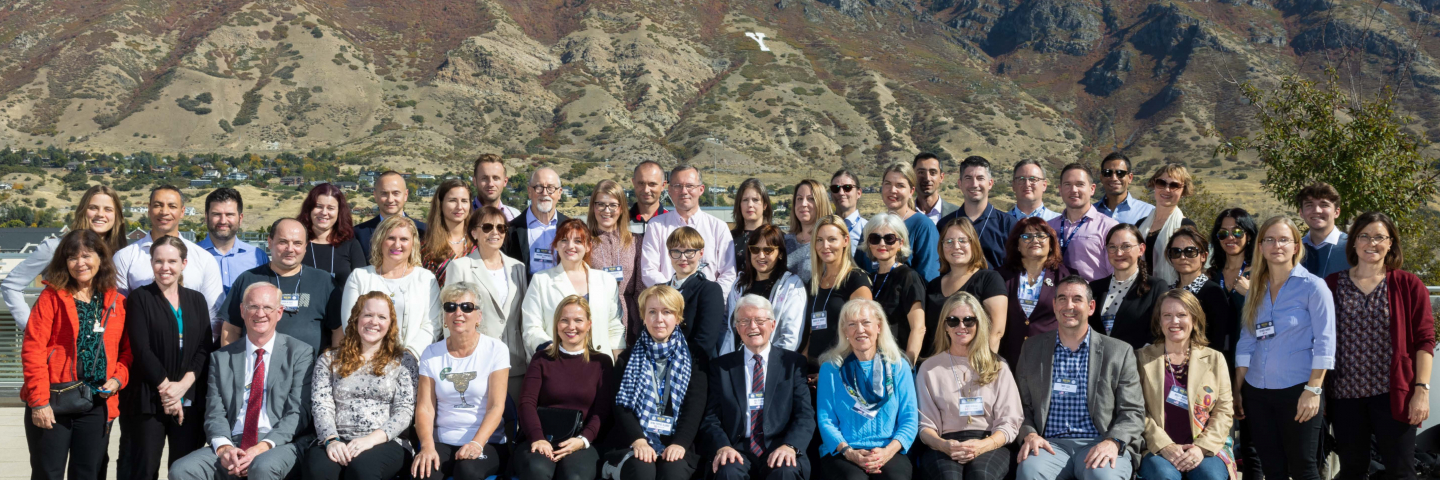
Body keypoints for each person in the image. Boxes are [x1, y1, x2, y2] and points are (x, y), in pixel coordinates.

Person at [1324, 211, 1434, 480]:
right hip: (1344, 395)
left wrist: (1421, 390)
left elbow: (1424, 341)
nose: (1371, 243)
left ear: (1391, 243)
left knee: (1401, 471)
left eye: (1379, 237)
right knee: (1352, 471)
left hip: (1393, 393)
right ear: (1353, 242)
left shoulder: (1408, 284)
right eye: (1364, 236)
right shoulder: (1331, 284)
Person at [167, 282, 316, 480]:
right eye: (253, 306)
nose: (260, 313)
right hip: (233, 443)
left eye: (268, 307)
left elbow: (298, 413)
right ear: (242, 311)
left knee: (261, 468)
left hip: (279, 444)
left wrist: (262, 447)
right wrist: (224, 448)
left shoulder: (299, 353)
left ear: (279, 312)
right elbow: (215, 412)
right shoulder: (221, 358)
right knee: (181, 470)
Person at [22, 229, 131, 480]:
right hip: (53, 400)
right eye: (72, 257)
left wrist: (118, 378)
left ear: (101, 259)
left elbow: (127, 352)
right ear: (64, 262)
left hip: (96, 403)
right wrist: (39, 403)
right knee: (48, 474)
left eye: (87, 255)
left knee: (88, 474)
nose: (80, 263)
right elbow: (33, 350)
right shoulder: (51, 297)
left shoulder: (115, 301)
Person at [1013, 275, 1145, 480]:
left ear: (1091, 307)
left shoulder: (1119, 352)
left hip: (1100, 441)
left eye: (1077, 299)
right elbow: (1021, 406)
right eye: (1063, 299)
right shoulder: (1031, 348)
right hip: (1049, 446)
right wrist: (1029, 434)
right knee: (1029, 471)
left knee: (1104, 476)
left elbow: (1133, 411)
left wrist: (1113, 441)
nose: (1069, 305)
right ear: (1054, 305)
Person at [1234, 216, 1335, 480]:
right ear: (1260, 247)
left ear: (1295, 246)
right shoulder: (1255, 288)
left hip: (1299, 391)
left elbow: (1326, 342)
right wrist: (1238, 390)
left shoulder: (1314, 286)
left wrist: (1313, 390)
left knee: (1304, 468)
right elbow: (1246, 341)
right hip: (1257, 393)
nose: (1276, 245)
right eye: (1269, 239)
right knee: (1272, 468)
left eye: (1283, 239)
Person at [119, 236, 218, 480]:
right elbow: (142, 350)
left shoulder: (197, 300)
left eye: (172, 261)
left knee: (185, 470)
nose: (165, 267)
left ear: (184, 263)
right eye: (159, 261)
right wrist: (168, 392)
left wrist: (182, 388)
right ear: (151, 263)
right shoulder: (139, 298)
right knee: (143, 469)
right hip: (148, 400)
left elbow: (205, 347)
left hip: (190, 400)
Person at [601, 285, 710, 480]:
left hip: (678, 440)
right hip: (633, 440)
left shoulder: (695, 356)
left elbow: (695, 405)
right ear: (643, 316)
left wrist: (680, 443)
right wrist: (638, 440)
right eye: (652, 312)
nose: (659, 319)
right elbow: (621, 406)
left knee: (672, 472)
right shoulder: (627, 358)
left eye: (667, 312)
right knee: (642, 469)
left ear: (677, 318)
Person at [702, 294, 816, 480]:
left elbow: (804, 414)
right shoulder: (721, 367)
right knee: (727, 472)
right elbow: (711, 417)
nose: (752, 326)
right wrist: (722, 447)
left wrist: (790, 446)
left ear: (772, 325)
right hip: (736, 447)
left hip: (780, 444)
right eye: (745, 321)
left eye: (759, 320)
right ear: (737, 328)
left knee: (785, 471)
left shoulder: (793, 363)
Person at [307, 292, 419, 480]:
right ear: (356, 318)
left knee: (362, 470)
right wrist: (331, 440)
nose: (374, 322)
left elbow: (405, 410)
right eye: (368, 315)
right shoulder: (329, 360)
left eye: (382, 317)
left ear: (390, 324)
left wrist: (370, 440)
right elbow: (321, 405)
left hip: (385, 441)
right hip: (337, 438)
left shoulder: (404, 361)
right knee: (320, 471)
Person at [916, 292, 1022, 480]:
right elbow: (925, 425)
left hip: (989, 440)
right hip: (944, 442)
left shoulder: (998, 365)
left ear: (979, 324)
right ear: (945, 326)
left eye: (968, 320)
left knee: (980, 475)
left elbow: (1010, 420)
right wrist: (944, 445)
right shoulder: (929, 368)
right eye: (953, 321)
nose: (961, 326)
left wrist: (984, 445)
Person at [412, 282, 512, 480]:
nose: (458, 313)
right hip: (442, 440)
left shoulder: (496, 350)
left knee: (467, 472)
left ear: (478, 316)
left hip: (487, 441)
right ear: (444, 317)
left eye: (466, 307)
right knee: (424, 473)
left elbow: (496, 406)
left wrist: (476, 443)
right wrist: (427, 446)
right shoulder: (431, 353)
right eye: (451, 307)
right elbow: (425, 408)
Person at [1136, 289, 1237, 480]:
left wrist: (1201, 448)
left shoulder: (1215, 359)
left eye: (1182, 315)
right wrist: (1164, 445)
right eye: (1167, 315)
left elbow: (1224, 411)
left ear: (1195, 320)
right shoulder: (1141, 358)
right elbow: (1137, 410)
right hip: (1156, 447)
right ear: (1159, 320)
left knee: (1210, 477)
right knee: (1163, 476)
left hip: (1206, 446)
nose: (1174, 322)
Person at [516, 295, 617, 480]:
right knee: (536, 470)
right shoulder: (541, 359)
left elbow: (603, 410)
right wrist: (538, 437)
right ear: (556, 324)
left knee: (575, 476)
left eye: (578, 320)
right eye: (564, 320)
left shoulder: (601, 362)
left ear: (589, 325)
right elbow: (526, 403)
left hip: (581, 440)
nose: (571, 327)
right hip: (541, 436)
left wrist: (583, 439)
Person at [815, 299, 918, 480]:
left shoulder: (898, 366)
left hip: (888, 449)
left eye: (866, 322)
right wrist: (849, 452)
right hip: (844, 451)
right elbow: (826, 420)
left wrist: (887, 451)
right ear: (845, 331)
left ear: (879, 327)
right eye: (852, 324)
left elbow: (909, 419)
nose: (860, 330)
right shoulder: (830, 369)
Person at [3, 185, 128, 330]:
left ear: (117, 216)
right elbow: (11, 285)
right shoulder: (54, 248)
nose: (100, 214)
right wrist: (32, 328)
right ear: (82, 211)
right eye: (93, 208)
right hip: (61, 345)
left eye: (108, 209)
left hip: (108, 345)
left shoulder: (123, 255)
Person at [114, 186, 225, 332]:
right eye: (158, 205)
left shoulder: (204, 259)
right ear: (148, 209)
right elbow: (118, 314)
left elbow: (214, 315)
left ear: (182, 212)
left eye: (172, 206)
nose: (164, 212)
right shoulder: (124, 257)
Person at [445, 206, 530, 396]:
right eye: (487, 227)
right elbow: (450, 318)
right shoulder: (460, 267)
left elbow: (524, 317)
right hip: (476, 361)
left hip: (514, 363)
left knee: (512, 423)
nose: (495, 232)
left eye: (501, 228)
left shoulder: (518, 267)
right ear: (474, 232)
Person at [1202, 208, 1260, 480]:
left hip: (1251, 364)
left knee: (1251, 440)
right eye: (1223, 233)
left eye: (1237, 231)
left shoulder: (1261, 271)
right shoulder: (1210, 274)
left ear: (1249, 235)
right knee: (1215, 433)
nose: (1230, 238)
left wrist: (1250, 295)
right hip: (1213, 365)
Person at [224, 219, 338, 353]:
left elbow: (338, 330)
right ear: (270, 242)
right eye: (283, 242)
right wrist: (231, 367)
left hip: (310, 371)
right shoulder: (248, 279)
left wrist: (332, 368)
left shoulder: (323, 281)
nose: (290, 249)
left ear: (305, 246)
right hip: (256, 370)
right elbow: (230, 329)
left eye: (297, 243)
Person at [522, 219, 626, 359]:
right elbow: (531, 327)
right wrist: (552, 350)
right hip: (558, 362)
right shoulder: (541, 280)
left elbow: (614, 326)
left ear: (588, 246)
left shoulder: (606, 281)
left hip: (600, 365)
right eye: (564, 240)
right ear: (556, 245)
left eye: (578, 241)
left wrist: (618, 364)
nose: (570, 246)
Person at [340, 216, 443, 357]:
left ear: (413, 243)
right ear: (380, 240)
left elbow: (432, 325)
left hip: (412, 364)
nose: (397, 245)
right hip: (366, 361)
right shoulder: (359, 277)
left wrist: (409, 355)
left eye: (404, 239)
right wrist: (375, 357)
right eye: (391, 238)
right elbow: (350, 323)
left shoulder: (426, 279)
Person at [640, 165, 739, 297]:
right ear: (669, 190)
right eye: (677, 186)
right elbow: (649, 271)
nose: (684, 191)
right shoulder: (656, 226)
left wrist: (708, 298)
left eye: (690, 186)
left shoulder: (718, 227)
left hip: (708, 307)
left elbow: (728, 274)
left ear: (701, 189)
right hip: (669, 306)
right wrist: (674, 297)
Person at [923, 217, 1006, 357]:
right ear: (941, 247)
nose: (956, 246)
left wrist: (984, 369)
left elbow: (996, 332)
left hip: (974, 366)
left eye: (962, 241)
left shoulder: (989, 279)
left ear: (973, 244)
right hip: (936, 367)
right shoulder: (933, 285)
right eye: (949, 241)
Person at [723, 224, 806, 355]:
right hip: (738, 365)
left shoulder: (791, 285)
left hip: (773, 365)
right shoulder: (739, 284)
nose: (761, 256)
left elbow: (790, 335)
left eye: (768, 250)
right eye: (755, 249)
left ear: (780, 253)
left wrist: (770, 364)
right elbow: (730, 330)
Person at [997, 217, 1068, 366]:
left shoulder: (1065, 278)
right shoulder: (1000, 277)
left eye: (1041, 236)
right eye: (1026, 236)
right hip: (1008, 361)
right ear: (1017, 245)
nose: (1034, 240)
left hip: (1050, 361)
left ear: (1050, 244)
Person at [803, 215, 874, 364]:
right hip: (812, 366)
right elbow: (811, 331)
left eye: (832, 239)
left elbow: (863, 333)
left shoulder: (856, 279)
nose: (825, 246)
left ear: (845, 241)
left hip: (841, 366)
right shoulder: (814, 282)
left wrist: (831, 369)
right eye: (819, 240)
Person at [1088, 224, 1167, 352]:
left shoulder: (1156, 287)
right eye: (1112, 247)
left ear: (1141, 249)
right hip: (1098, 365)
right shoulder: (1094, 287)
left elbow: (1158, 333)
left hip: (1138, 364)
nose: (1119, 253)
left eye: (1126, 246)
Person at [856, 162, 940, 282]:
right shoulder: (872, 226)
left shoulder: (923, 226)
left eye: (900, 185)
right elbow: (860, 271)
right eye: (888, 184)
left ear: (911, 191)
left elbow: (929, 278)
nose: (892, 190)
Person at [861, 213, 925, 364]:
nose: (882, 244)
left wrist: (908, 365)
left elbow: (919, 328)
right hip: (871, 362)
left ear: (900, 242)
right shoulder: (868, 278)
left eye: (889, 238)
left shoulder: (908, 277)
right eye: (875, 238)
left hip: (898, 362)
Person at [1166, 227, 1238, 361]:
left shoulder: (1213, 293)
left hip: (1203, 367)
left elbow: (1218, 342)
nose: (1183, 257)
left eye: (1190, 252)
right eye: (1176, 252)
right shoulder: (1167, 293)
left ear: (1203, 256)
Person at [663, 226, 727, 365]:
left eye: (689, 252)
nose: (682, 258)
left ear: (701, 253)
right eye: (676, 252)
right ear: (669, 254)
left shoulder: (709, 289)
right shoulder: (659, 290)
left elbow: (705, 342)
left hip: (692, 368)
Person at [589, 180, 644, 336]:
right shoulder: (583, 242)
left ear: (621, 209)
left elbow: (640, 288)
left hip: (631, 319)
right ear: (593, 207)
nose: (607, 210)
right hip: (596, 318)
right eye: (601, 204)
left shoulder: (636, 241)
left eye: (613, 205)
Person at [1048, 163, 1118, 282]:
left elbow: (1117, 274)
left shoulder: (1109, 228)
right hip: (1055, 297)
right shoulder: (1048, 227)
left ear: (1092, 189)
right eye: (1067, 184)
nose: (1073, 190)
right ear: (1060, 190)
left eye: (1080, 184)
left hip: (1095, 296)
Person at [198, 187, 270, 295]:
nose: (223, 221)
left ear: (240, 218)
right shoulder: (191, 255)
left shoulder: (258, 258)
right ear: (206, 217)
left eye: (229, 215)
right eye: (216, 214)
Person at [503, 167, 570, 278]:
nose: (544, 193)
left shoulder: (571, 228)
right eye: (538, 187)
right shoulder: (510, 230)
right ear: (529, 191)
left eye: (550, 188)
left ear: (559, 193)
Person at [1137, 164, 1197, 286]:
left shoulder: (1185, 226)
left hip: (1171, 293)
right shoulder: (1140, 224)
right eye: (1161, 183)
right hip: (1141, 291)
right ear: (1154, 184)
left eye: (1174, 185)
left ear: (1183, 190)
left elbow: (1191, 267)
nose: (1167, 189)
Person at [298, 183, 368, 286]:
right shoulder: (296, 245)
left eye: (330, 208)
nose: (324, 212)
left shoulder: (350, 245)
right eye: (318, 206)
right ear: (309, 209)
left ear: (339, 212)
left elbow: (363, 284)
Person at [355, 171, 429, 259]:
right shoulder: (358, 234)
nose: (390, 199)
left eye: (396, 193)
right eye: (384, 193)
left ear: (405, 195)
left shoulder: (424, 232)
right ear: (375, 196)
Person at [422, 178, 474, 284]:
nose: (459, 207)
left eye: (464, 201)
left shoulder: (478, 242)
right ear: (440, 204)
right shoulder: (426, 247)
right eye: (452, 200)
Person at [784, 179, 834, 283]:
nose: (803, 203)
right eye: (799, 198)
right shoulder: (784, 241)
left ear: (821, 203)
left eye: (810, 199)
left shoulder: (831, 243)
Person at [1296, 183, 1350, 278]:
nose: (1317, 210)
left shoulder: (1353, 247)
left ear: (1336, 212)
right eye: (1309, 205)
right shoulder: (1295, 249)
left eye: (1324, 205)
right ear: (1301, 212)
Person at [1094, 152, 1155, 226]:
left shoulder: (1149, 213)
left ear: (1130, 178)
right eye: (1107, 173)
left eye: (1120, 173)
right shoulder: (1089, 212)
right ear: (1101, 178)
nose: (1114, 178)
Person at [731, 178, 772, 270]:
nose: (750, 204)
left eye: (755, 200)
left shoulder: (777, 237)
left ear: (765, 205)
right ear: (739, 204)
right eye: (745, 200)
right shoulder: (728, 238)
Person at [471, 153, 521, 221]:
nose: (490, 184)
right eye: (484, 178)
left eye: (496, 178)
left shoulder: (515, 216)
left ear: (505, 181)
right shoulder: (463, 217)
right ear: (474, 181)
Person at [914, 153, 960, 225]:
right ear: (913, 176)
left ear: (941, 177)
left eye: (933, 173)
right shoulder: (902, 214)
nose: (927, 178)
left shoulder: (958, 214)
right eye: (921, 172)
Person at [830, 169, 867, 251]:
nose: (841, 193)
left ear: (859, 193)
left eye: (847, 188)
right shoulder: (823, 228)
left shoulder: (868, 229)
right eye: (835, 188)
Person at [631, 160, 670, 228]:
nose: (646, 190)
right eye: (641, 183)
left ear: (663, 185)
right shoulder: (620, 221)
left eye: (652, 184)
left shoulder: (672, 223)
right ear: (633, 183)